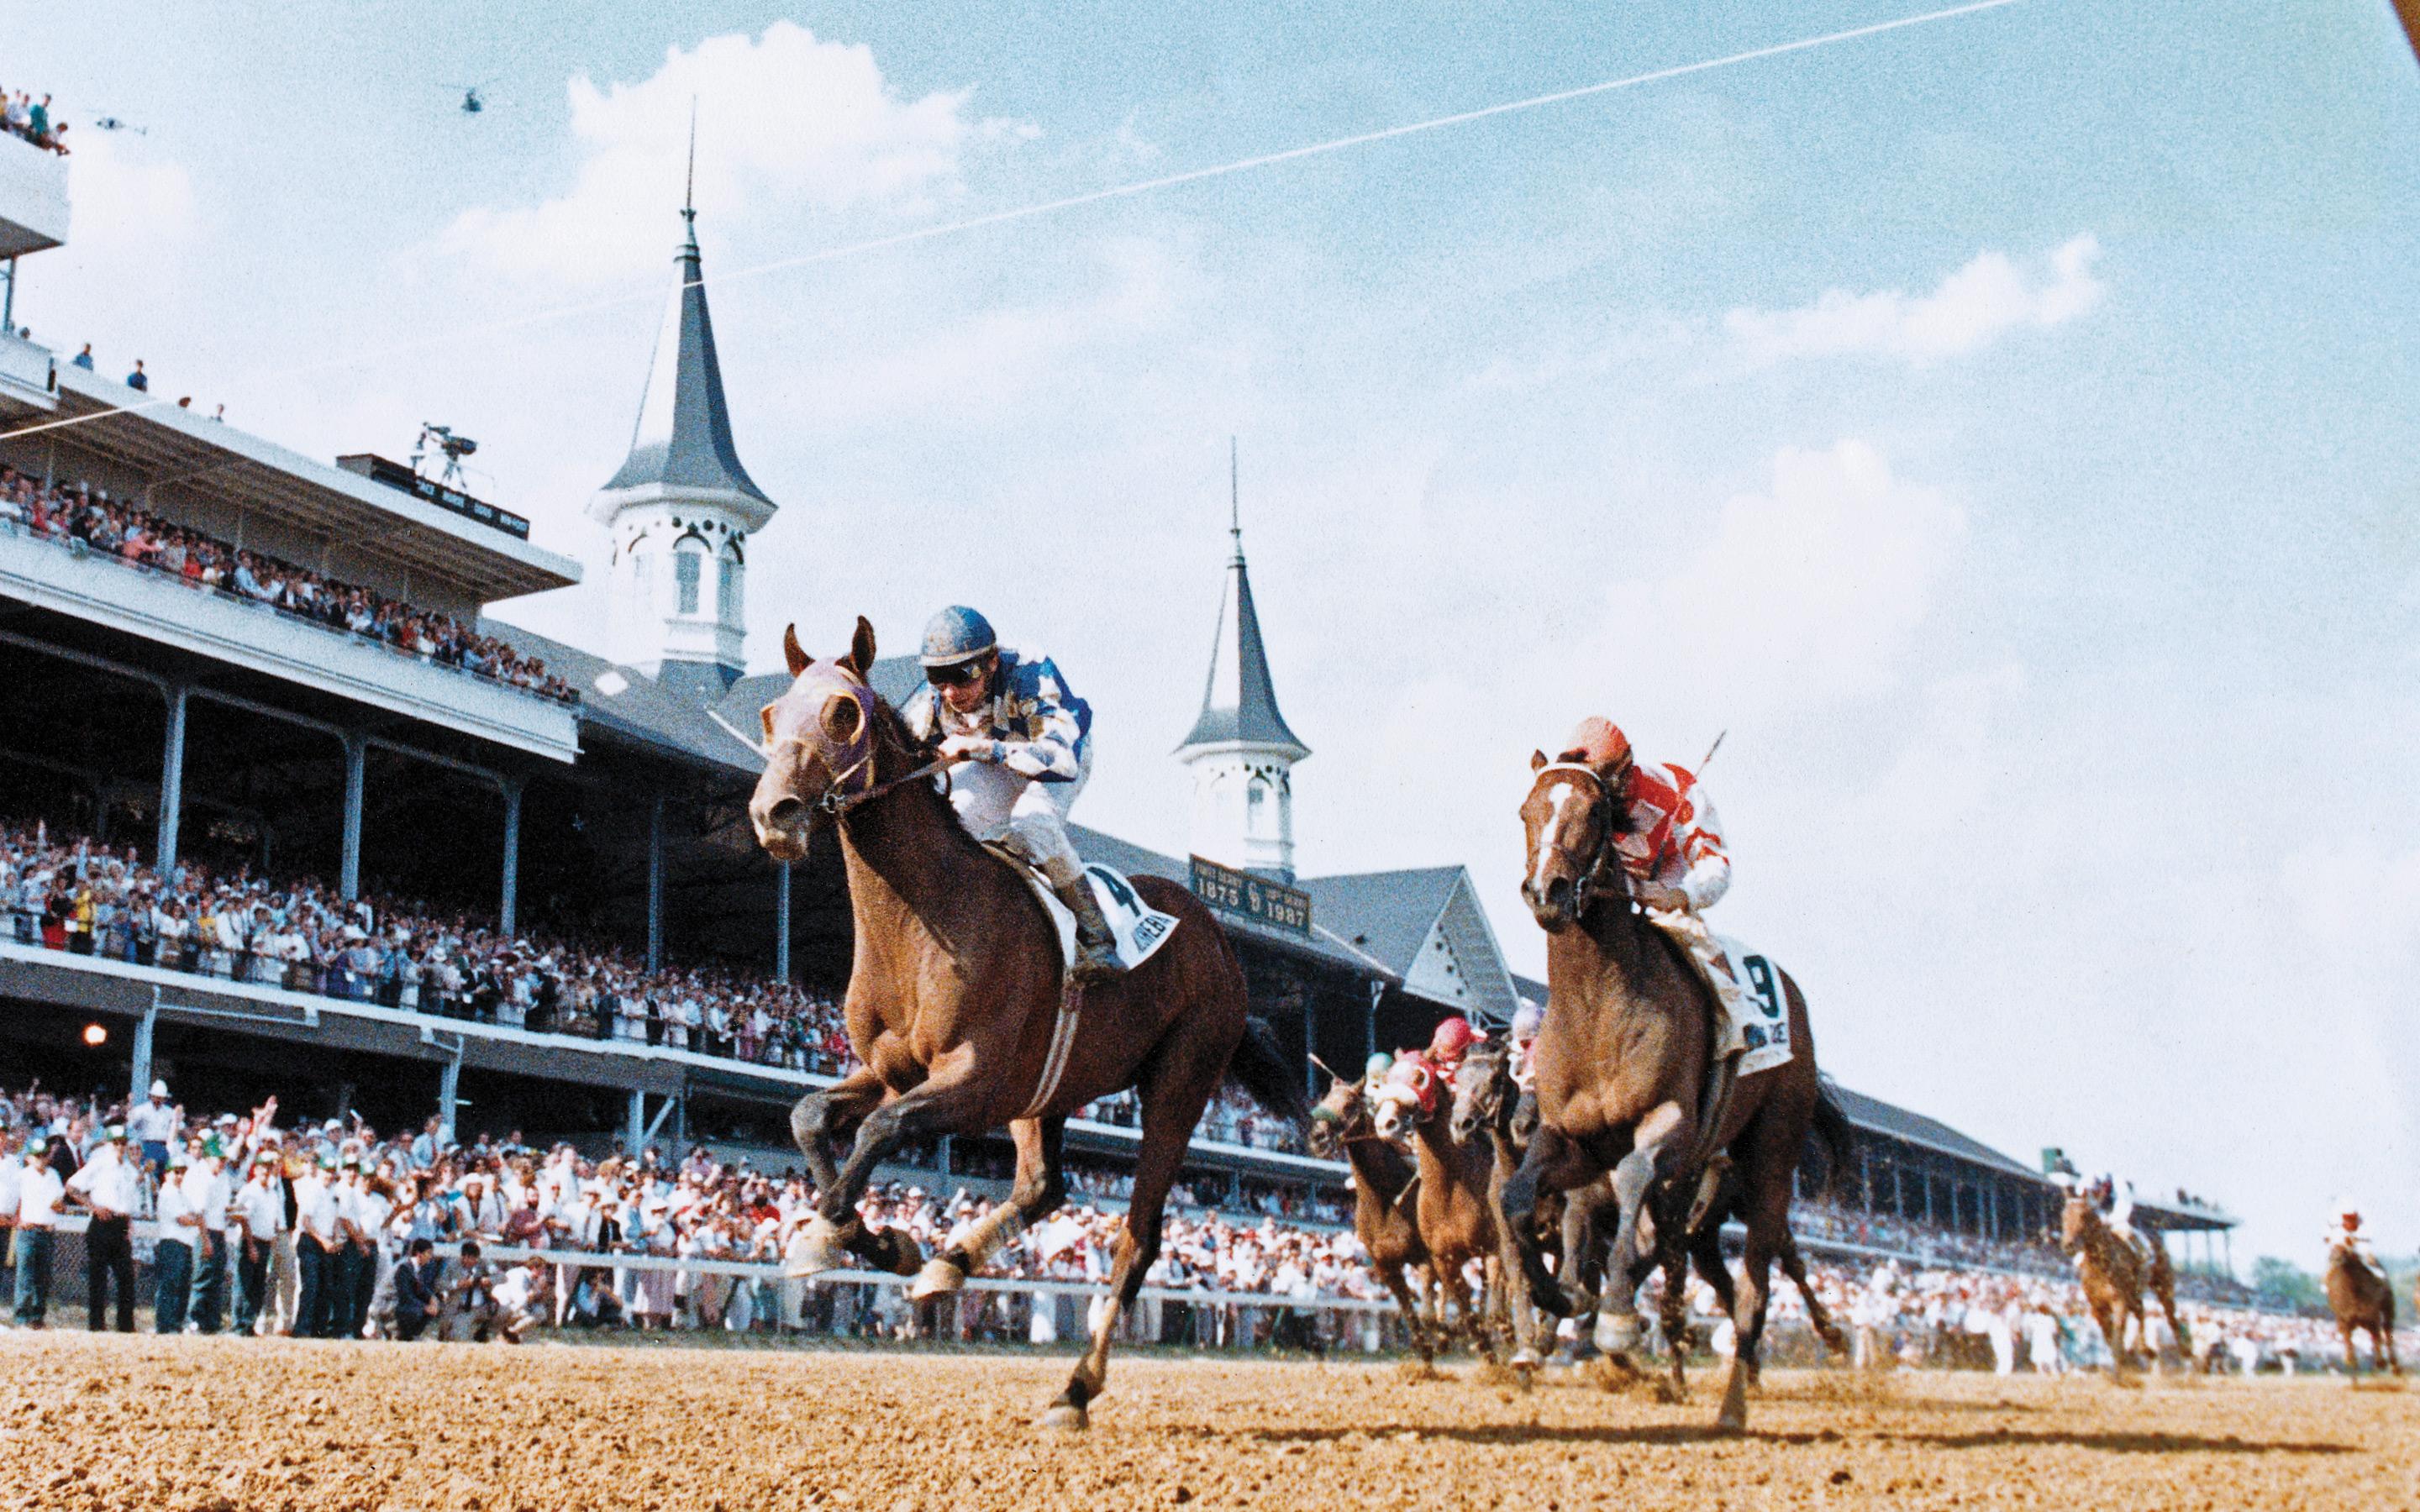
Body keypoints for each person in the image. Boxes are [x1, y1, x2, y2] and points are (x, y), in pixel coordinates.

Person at [899, 604, 1118, 980]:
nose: (950, 691)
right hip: (994, 759)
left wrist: (984, 749)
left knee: (1033, 823)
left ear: (992, 662)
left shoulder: (1030, 672)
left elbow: (1061, 760)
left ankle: (1097, 936)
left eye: (963, 676)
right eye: (937, 677)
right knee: (954, 818)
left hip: (1056, 758)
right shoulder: (931, 699)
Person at [1553, 717, 1750, 1052]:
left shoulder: (1675, 789)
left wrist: (1680, 896)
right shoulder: (1576, 801)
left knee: (1694, 937)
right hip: (1616, 888)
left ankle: (1738, 1030)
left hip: (1670, 882)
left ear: (1625, 769)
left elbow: (1716, 865)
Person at [63, 1124, 138, 1331]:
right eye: (116, 1143)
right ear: (108, 1144)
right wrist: (93, 1207)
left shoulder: (129, 1169)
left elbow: (128, 1202)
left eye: (123, 1143)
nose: (120, 1147)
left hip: (121, 1223)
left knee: (126, 1276)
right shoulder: (99, 1164)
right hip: (103, 1222)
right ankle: (96, 1324)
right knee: (99, 1277)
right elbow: (72, 1186)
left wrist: (128, 1225)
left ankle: (125, 1325)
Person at [10, 1134, 64, 1326]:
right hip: (28, 1230)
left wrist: (59, 1206)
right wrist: (17, 1220)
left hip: (46, 1231)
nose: (41, 1159)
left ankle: (37, 1317)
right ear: (29, 1157)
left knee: (43, 1277)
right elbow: (12, 1200)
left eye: (44, 1155)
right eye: (37, 1155)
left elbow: (59, 1203)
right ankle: (21, 1317)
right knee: (25, 1276)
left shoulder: (53, 1175)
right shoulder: (22, 1176)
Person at [231, 1149, 285, 1336]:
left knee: (258, 1285)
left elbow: (273, 1222)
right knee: (244, 1284)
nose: (266, 1172)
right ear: (256, 1169)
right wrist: (251, 1246)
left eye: (269, 1168)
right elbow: (242, 1218)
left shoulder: (272, 1193)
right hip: (250, 1240)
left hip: (265, 1242)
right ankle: (238, 1325)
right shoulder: (250, 1190)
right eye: (263, 1168)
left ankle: (249, 1324)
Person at [391, 1237, 445, 1341]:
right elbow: (405, 1295)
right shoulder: (403, 1268)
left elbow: (421, 1289)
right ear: (419, 1254)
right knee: (418, 1310)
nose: (430, 1257)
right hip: (390, 1304)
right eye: (428, 1253)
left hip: (402, 1303)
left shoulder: (418, 1268)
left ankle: (413, 1334)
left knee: (432, 1307)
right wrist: (424, 1307)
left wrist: (432, 1299)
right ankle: (398, 1330)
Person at [126, 1079, 176, 1179]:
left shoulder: (169, 1112)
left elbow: (176, 1128)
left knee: (164, 1174)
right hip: (147, 1145)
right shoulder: (142, 1110)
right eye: (156, 1097)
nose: (157, 1100)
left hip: (163, 1146)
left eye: (160, 1098)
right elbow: (131, 1123)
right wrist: (130, 1105)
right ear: (151, 1096)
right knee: (150, 1174)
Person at [2326, 1200, 2377, 1269]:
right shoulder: (2338, 1230)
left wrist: (2356, 1241)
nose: (2348, 1222)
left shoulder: (2362, 1230)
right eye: (2347, 1219)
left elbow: (2367, 1244)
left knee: (2371, 1262)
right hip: (2342, 1257)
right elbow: (2332, 1242)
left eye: (2352, 1219)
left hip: (2360, 1256)